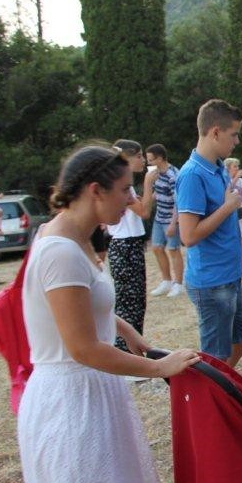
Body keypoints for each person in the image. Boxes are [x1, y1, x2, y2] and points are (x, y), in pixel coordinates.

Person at [18, 144, 199, 483]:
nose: (132, 200)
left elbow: (80, 305)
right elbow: (83, 348)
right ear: (95, 191)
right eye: (124, 190)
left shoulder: (73, 238)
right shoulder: (61, 251)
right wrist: (161, 368)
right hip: (69, 402)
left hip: (84, 395)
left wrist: (123, 327)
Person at [177, 98, 242, 367]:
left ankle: (223, 386)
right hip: (211, 282)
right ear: (216, 132)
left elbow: (217, 213)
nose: (237, 141)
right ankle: (213, 390)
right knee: (214, 358)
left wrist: (240, 211)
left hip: (229, 275)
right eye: (234, 134)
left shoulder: (219, 168)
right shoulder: (192, 175)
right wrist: (228, 207)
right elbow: (189, 236)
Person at [108, 140, 150, 351]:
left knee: (137, 302)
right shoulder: (123, 187)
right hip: (124, 246)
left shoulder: (128, 187)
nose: (143, 160)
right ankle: (125, 351)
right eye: (139, 156)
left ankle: (133, 351)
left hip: (130, 245)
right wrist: (149, 183)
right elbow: (144, 211)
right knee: (128, 304)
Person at [144, 144, 184, 298]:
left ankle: (178, 284)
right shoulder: (155, 174)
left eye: (151, 160)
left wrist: (173, 223)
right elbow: (158, 191)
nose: (149, 163)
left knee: (173, 249)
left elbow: (178, 201)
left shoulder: (173, 175)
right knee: (156, 247)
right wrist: (147, 199)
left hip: (170, 218)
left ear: (160, 158)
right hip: (159, 217)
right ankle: (166, 280)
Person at [224, 158, 242, 241]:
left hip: (241, 208)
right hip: (230, 211)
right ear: (228, 168)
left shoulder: (241, 181)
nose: (237, 168)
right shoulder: (225, 179)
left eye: (238, 166)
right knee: (232, 234)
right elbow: (228, 189)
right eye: (235, 166)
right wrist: (236, 177)